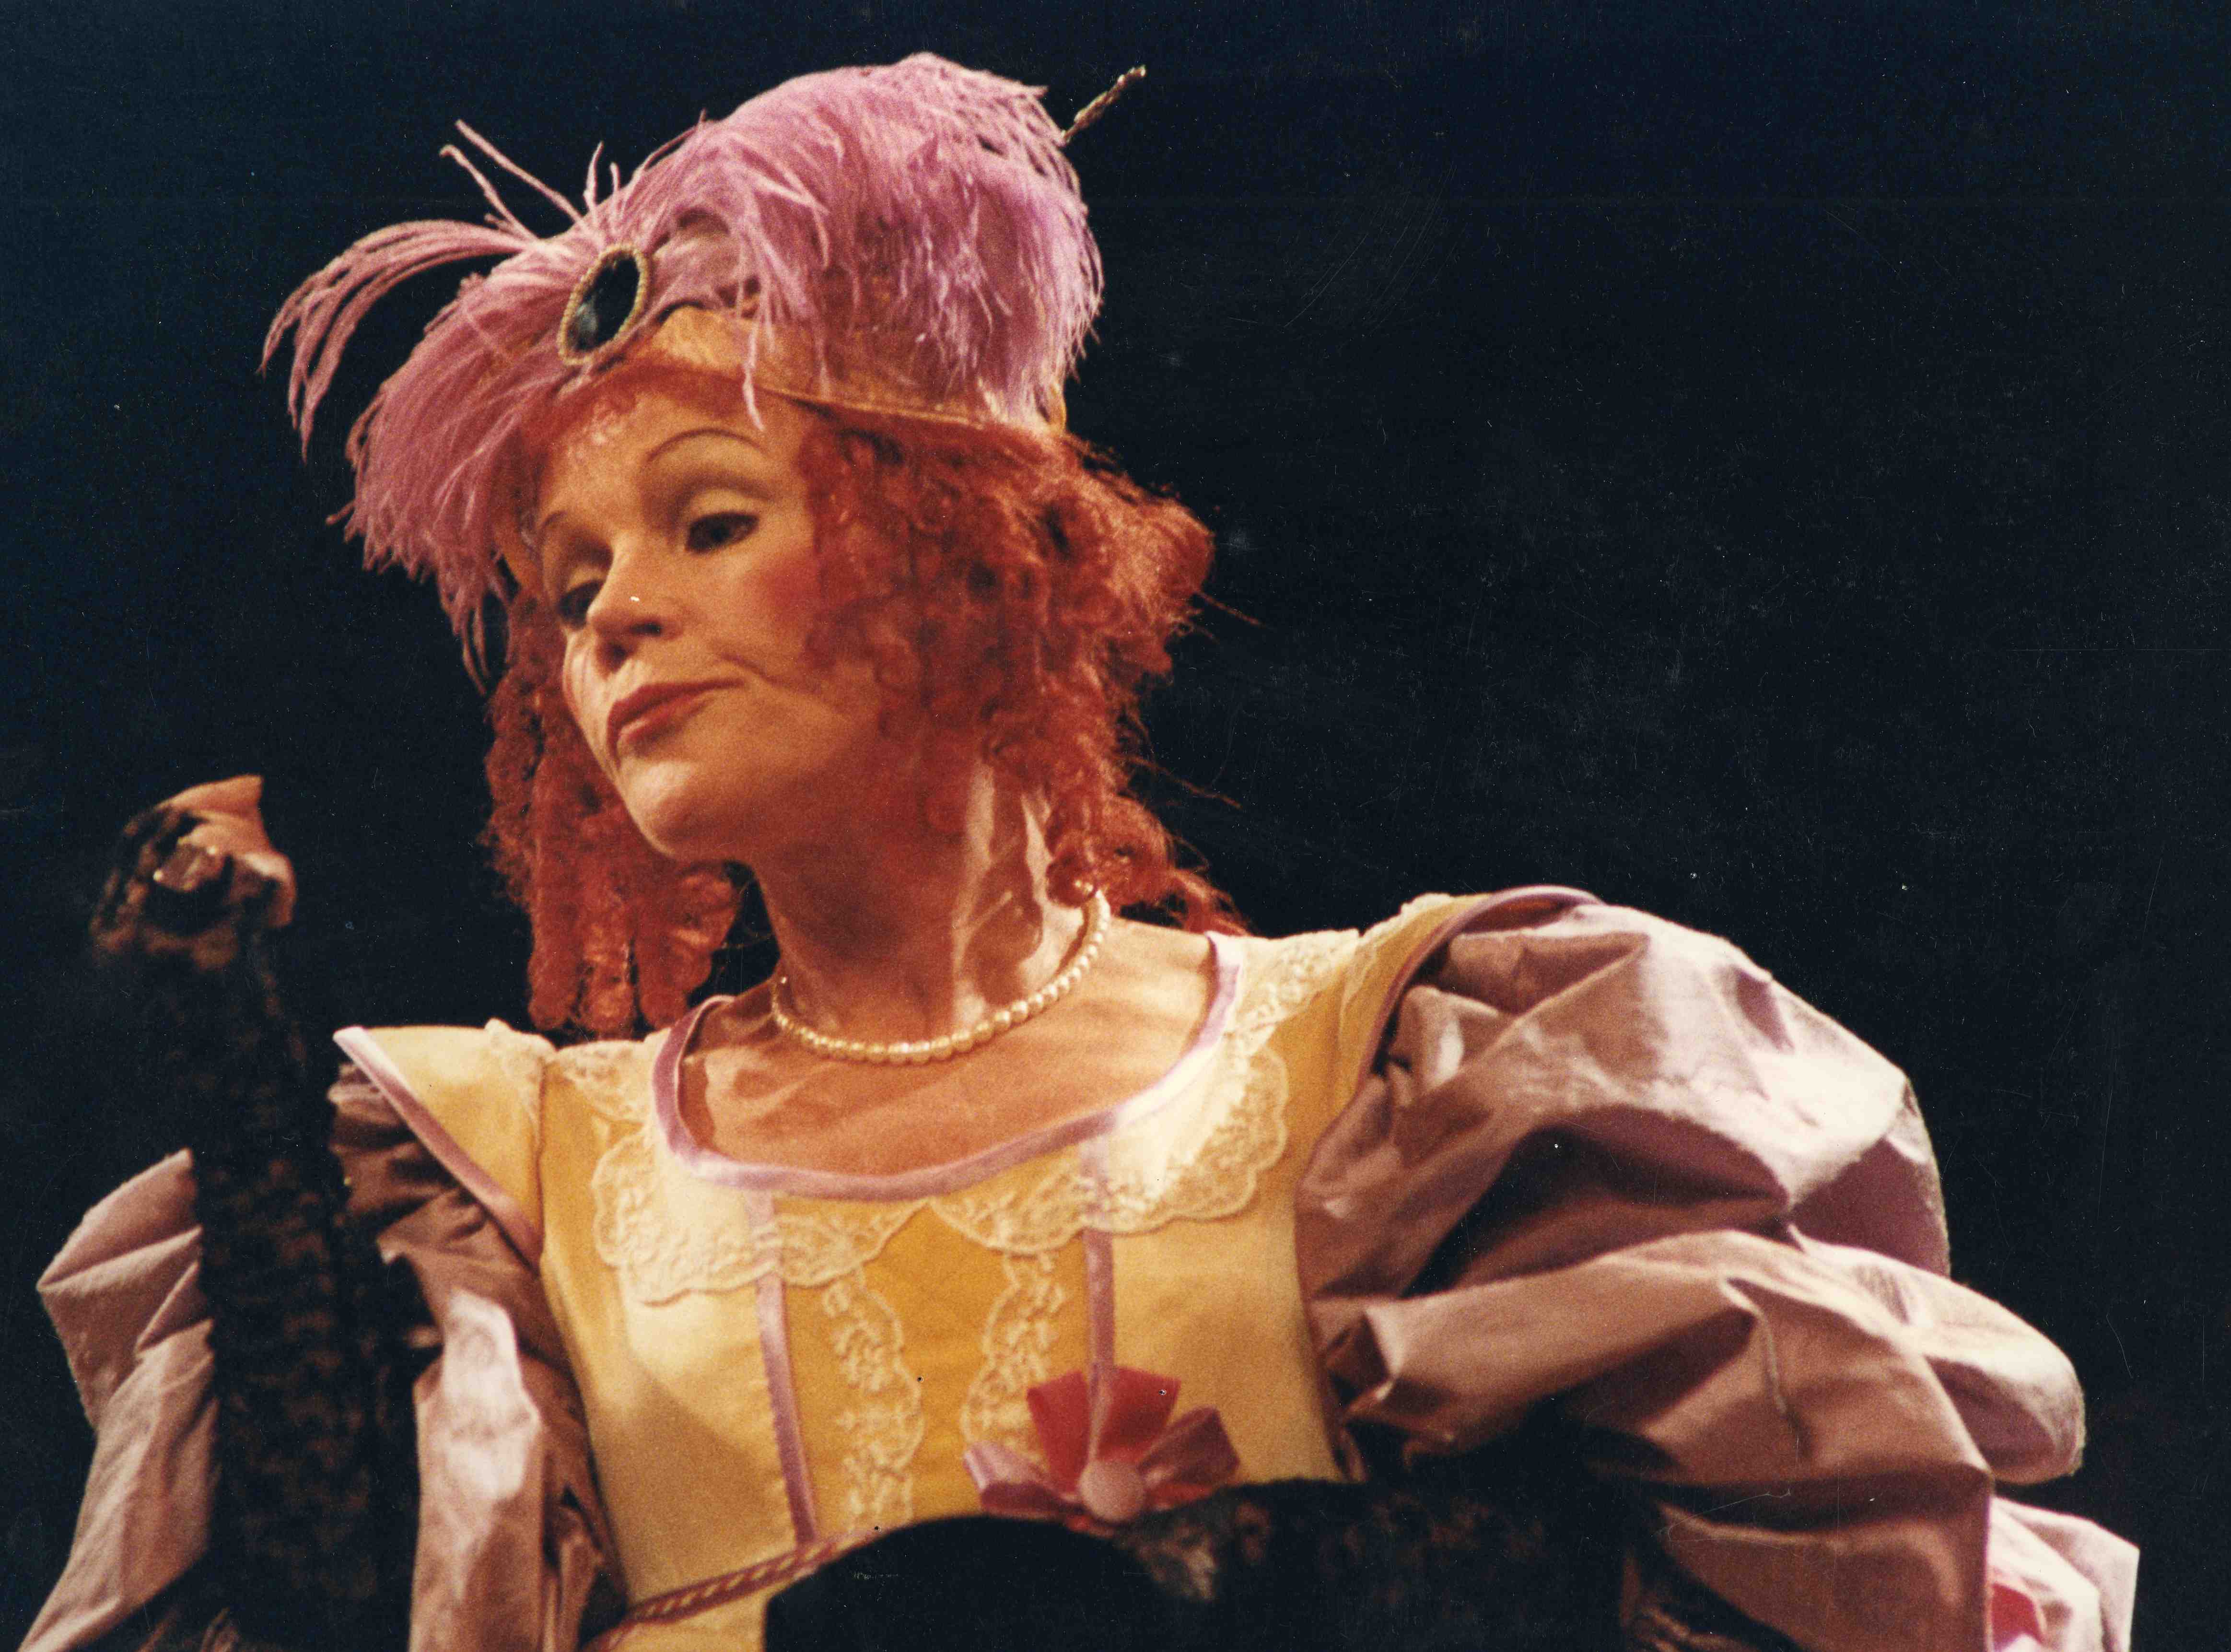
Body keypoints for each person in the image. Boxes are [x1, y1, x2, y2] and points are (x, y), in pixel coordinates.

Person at [25, 54, 2134, 1652]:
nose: (615, 621)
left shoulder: (1390, 1069)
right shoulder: (520, 1171)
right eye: (569, 589)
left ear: (964, 554)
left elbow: (1743, 1559)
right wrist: (237, 1078)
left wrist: (1262, 1577)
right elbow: (339, 1613)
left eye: (708, 522)